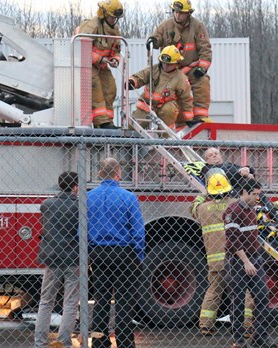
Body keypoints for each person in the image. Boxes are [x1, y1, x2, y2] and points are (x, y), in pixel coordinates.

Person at [87, 158, 145, 348]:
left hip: (98, 252)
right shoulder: (128, 197)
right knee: (125, 300)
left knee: (101, 298)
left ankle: (98, 341)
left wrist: (89, 252)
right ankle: (125, 342)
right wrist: (138, 255)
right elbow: (138, 230)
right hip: (124, 253)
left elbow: (83, 229)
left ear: (100, 173)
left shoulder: (89, 197)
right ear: (118, 172)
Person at [193, 170, 254, 335]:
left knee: (214, 290)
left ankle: (206, 325)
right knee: (245, 291)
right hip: (236, 258)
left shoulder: (203, 209)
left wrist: (203, 195)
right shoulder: (235, 205)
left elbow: (193, 208)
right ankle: (247, 326)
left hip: (216, 261)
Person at [224, 179, 277, 348]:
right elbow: (233, 239)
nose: (257, 197)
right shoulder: (233, 211)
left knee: (262, 297)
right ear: (244, 192)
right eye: (254, 194)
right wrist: (246, 262)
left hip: (255, 259)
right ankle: (238, 340)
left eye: (259, 194)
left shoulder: (252, 210)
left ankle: (259, 339)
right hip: (239, 262)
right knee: (238, 300)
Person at [145, 0, 212, 126]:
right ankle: (180, 121)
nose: (177, 15)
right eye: (175, 12)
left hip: (190, 68)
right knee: (173, 92)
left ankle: (200, 116)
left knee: (202, 81)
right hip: (170, 69)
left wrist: (202, 68)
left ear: (188, 13)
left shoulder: (197, 26)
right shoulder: (165, 26)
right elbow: (156, 37)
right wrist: (152, 40)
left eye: (181, 13)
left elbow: (205, 48)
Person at [33, 172, 80, 348]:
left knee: (46, 301)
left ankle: (40, 342)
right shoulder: (80, 206)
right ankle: (64, 341)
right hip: (73, 258)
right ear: (75, 187)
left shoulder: (47, 205)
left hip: (52, 258)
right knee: (70, 302)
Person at [75, 0, 124, 129]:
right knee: (95, 87)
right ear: (103, 14)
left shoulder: (115, 30)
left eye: (116, 18)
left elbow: (116, 50)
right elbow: (81, 48)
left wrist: (115, 60)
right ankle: (101, 123)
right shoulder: (92, 26)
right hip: (87, 65)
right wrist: (99, 59)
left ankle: (108, 121)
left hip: (102, 66)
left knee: (110, 88)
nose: (114, 20)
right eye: (112, 17)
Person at [127, 45, 193, 131]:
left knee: (169, 110)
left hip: (166, 109)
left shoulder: (181, 78)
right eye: (163, 62)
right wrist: (132, 82)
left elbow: (186, 100)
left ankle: (164, 139)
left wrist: (188, 120)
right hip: (147, 106)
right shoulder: (154, 69)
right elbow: (140, 77)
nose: (165, 65)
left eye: (169, 64)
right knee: (131, 128)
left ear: (176, 63)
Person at [184, 147, 255, 197]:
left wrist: (247, 169)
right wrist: (242, 174)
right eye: (210, 155)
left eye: (216, 153)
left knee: (258, 192)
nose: (214, 155)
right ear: (207, 160)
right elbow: (225, 176)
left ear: (220, 155)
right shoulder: (207, 168)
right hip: (229, 192)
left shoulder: (229, 164)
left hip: (244, 187)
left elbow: (250, 170)